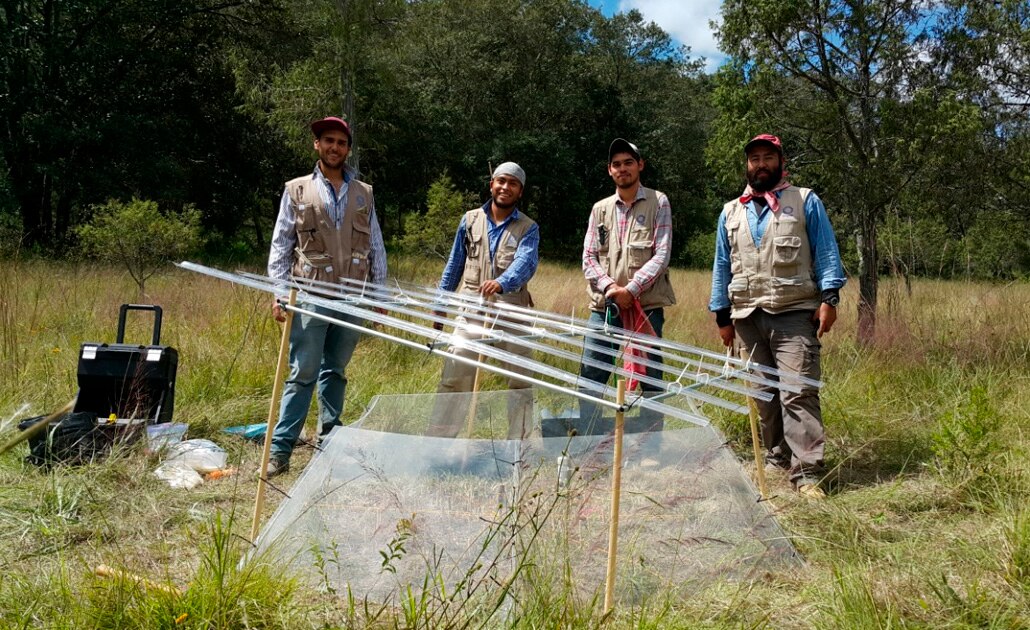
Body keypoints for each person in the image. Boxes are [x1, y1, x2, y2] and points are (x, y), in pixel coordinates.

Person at [708, 133, 846, 498]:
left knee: (798, 390)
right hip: (746, 317)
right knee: (762, 393)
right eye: (754, 158)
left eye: (767, 157)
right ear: (747, 165)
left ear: (781, 162)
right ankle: (776, 457)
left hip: (794, 311)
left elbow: (827, 252)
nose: (760, 164)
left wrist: (829, 297)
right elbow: (723, 266)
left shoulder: (804, 201)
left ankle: (808, 473)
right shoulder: (731, 210)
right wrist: (722, 316)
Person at [265, 116, 387, 476]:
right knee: (302, 372)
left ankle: (329, 446)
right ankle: (280, 452)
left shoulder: (364, 192)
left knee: (335, 371)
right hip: (310, 295)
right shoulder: (297, 190)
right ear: (317, 145)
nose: (335, 147)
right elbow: (281, 246)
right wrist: (277, 293)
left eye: (342, 142)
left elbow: (376, 246)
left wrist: (379, 296)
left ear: (347, 149)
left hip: (352, 298)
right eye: (328, 140)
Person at [427, 162, 540, 439]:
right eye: (501, 181)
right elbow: (455, 265)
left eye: (513, 183)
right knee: (454, 378)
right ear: (491, 184)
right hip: (471, 313)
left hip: (513, 313)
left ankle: (519, 449)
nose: (505, 187)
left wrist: (503, 282)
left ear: (520, 191)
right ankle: (438, 445)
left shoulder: (528, 227)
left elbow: (526, 262)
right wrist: (441, 305)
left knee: (520, 382)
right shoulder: (469, 220)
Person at [579, 138, 676, 430]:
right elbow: (588, 257)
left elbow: (662, 254)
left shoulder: (659, 202)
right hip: (604, 307)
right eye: (617, 164)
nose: (623, 169)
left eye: (628, 163)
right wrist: (611, 289)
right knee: (592, 372)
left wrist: (631, 290)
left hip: (645, 306)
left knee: (649, 375)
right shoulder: (600, 209)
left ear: (640, 166)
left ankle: (649, 444)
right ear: (610, 171)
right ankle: (588, 437)